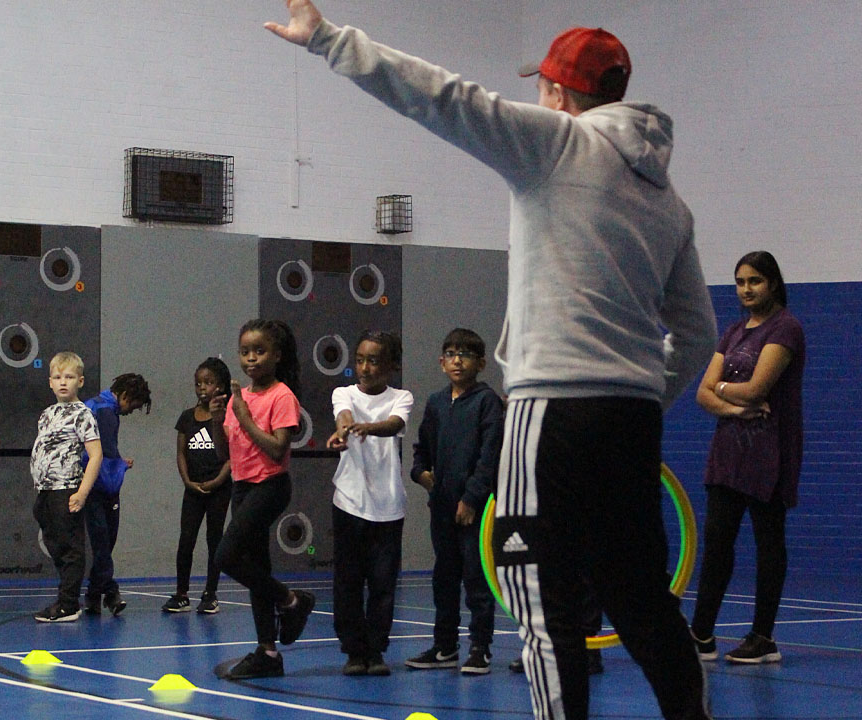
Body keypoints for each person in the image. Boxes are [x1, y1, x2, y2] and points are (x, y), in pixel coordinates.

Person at [265, 4, 718, 719]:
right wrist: (639, 394)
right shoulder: (669, 200)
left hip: (553, 415)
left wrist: (327, 40)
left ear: (560, 96)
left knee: (543, 606)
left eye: (543, 87)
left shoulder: (558, 144)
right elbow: (697, 332)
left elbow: (443, 98)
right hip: (632, 423)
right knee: (639, 599)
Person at [690, 251, 805, 664]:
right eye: (740, 282)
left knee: (767, 542)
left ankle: (762, 637)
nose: (746, 289)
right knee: (718, 542)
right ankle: (701, 634)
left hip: (770, 452)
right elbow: (703, 390)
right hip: (728, 452)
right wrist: (732, 404)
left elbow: (758, 388)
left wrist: (722, 389)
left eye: (754, 281)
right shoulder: (734, 332)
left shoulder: (785, 328)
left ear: (772, 283)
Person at [209, 319, 315, 680]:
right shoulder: (240, 397)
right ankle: (268, 652)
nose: (251, 359)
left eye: (259, 351)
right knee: (257, 569)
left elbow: (277, 449)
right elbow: (226, 451)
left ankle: (292, 601)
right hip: (241, 485)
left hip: (270, 485)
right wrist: (217, 418)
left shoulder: (282, 396)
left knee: (226, 555)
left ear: (277, 355)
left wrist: (245, 417)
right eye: (245, 352)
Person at [405, 328, 502, 675]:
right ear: (441, 362)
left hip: (475, 510)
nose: (457, 360)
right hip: (442, 507)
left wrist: (472, 498)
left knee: (476, 578)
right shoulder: (435, 402)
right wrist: (420, 473)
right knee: (444, 578)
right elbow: (422, 448)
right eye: (451, 353)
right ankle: (445, 646)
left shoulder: (487, 402)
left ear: (481, 362)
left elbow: (490, 457)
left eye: (466, 354)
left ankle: (480, 648)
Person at [325, 331, 413, 677]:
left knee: (382, 583)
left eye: (374, 361)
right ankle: (353, 651)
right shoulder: (343, 392)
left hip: (388, 506)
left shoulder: (401, 397)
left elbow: (394, 425)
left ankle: (375, 650)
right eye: (360, 359)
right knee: (347, 581)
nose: (364, 367)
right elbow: (343, 415)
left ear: (391, 365)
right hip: (348, 501)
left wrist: (367, 428)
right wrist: (344, 430)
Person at [30, 351, 103, 622]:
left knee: (71, 548)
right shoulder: (47, 414)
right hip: (46, 491)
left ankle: (69, 604)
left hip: (67, 489)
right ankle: (65, 597)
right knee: (56, 545)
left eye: (69, 377)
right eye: (58, 377)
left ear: (80, 381)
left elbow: (95, 455)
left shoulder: (82, 415)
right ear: (50, 382)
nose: (63, 382)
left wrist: (82, 492)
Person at [163, 357, 233, 614]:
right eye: (198, 383)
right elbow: (181, 452)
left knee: (214, 540)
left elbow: (232, 455)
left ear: (220, 385)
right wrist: (188, 482)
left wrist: (216, 481)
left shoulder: (227, 417)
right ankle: (182, 594)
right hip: (193, 490)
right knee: (186, 540)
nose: (202, 387)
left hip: (219, 488)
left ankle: (210, 594)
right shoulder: (186, 418)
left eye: (209, 382)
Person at [81, 373, 151, 616]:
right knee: (103, 542)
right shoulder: (106, 413)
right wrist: (120, 465)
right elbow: (105, 452)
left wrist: (119, 461)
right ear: (124, 396)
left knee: (104, 543)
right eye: (133, 405)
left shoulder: (93, 404)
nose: (131, 411)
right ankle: (110, 593)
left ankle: (92, 596)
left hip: (94, 484)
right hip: (100, 487)